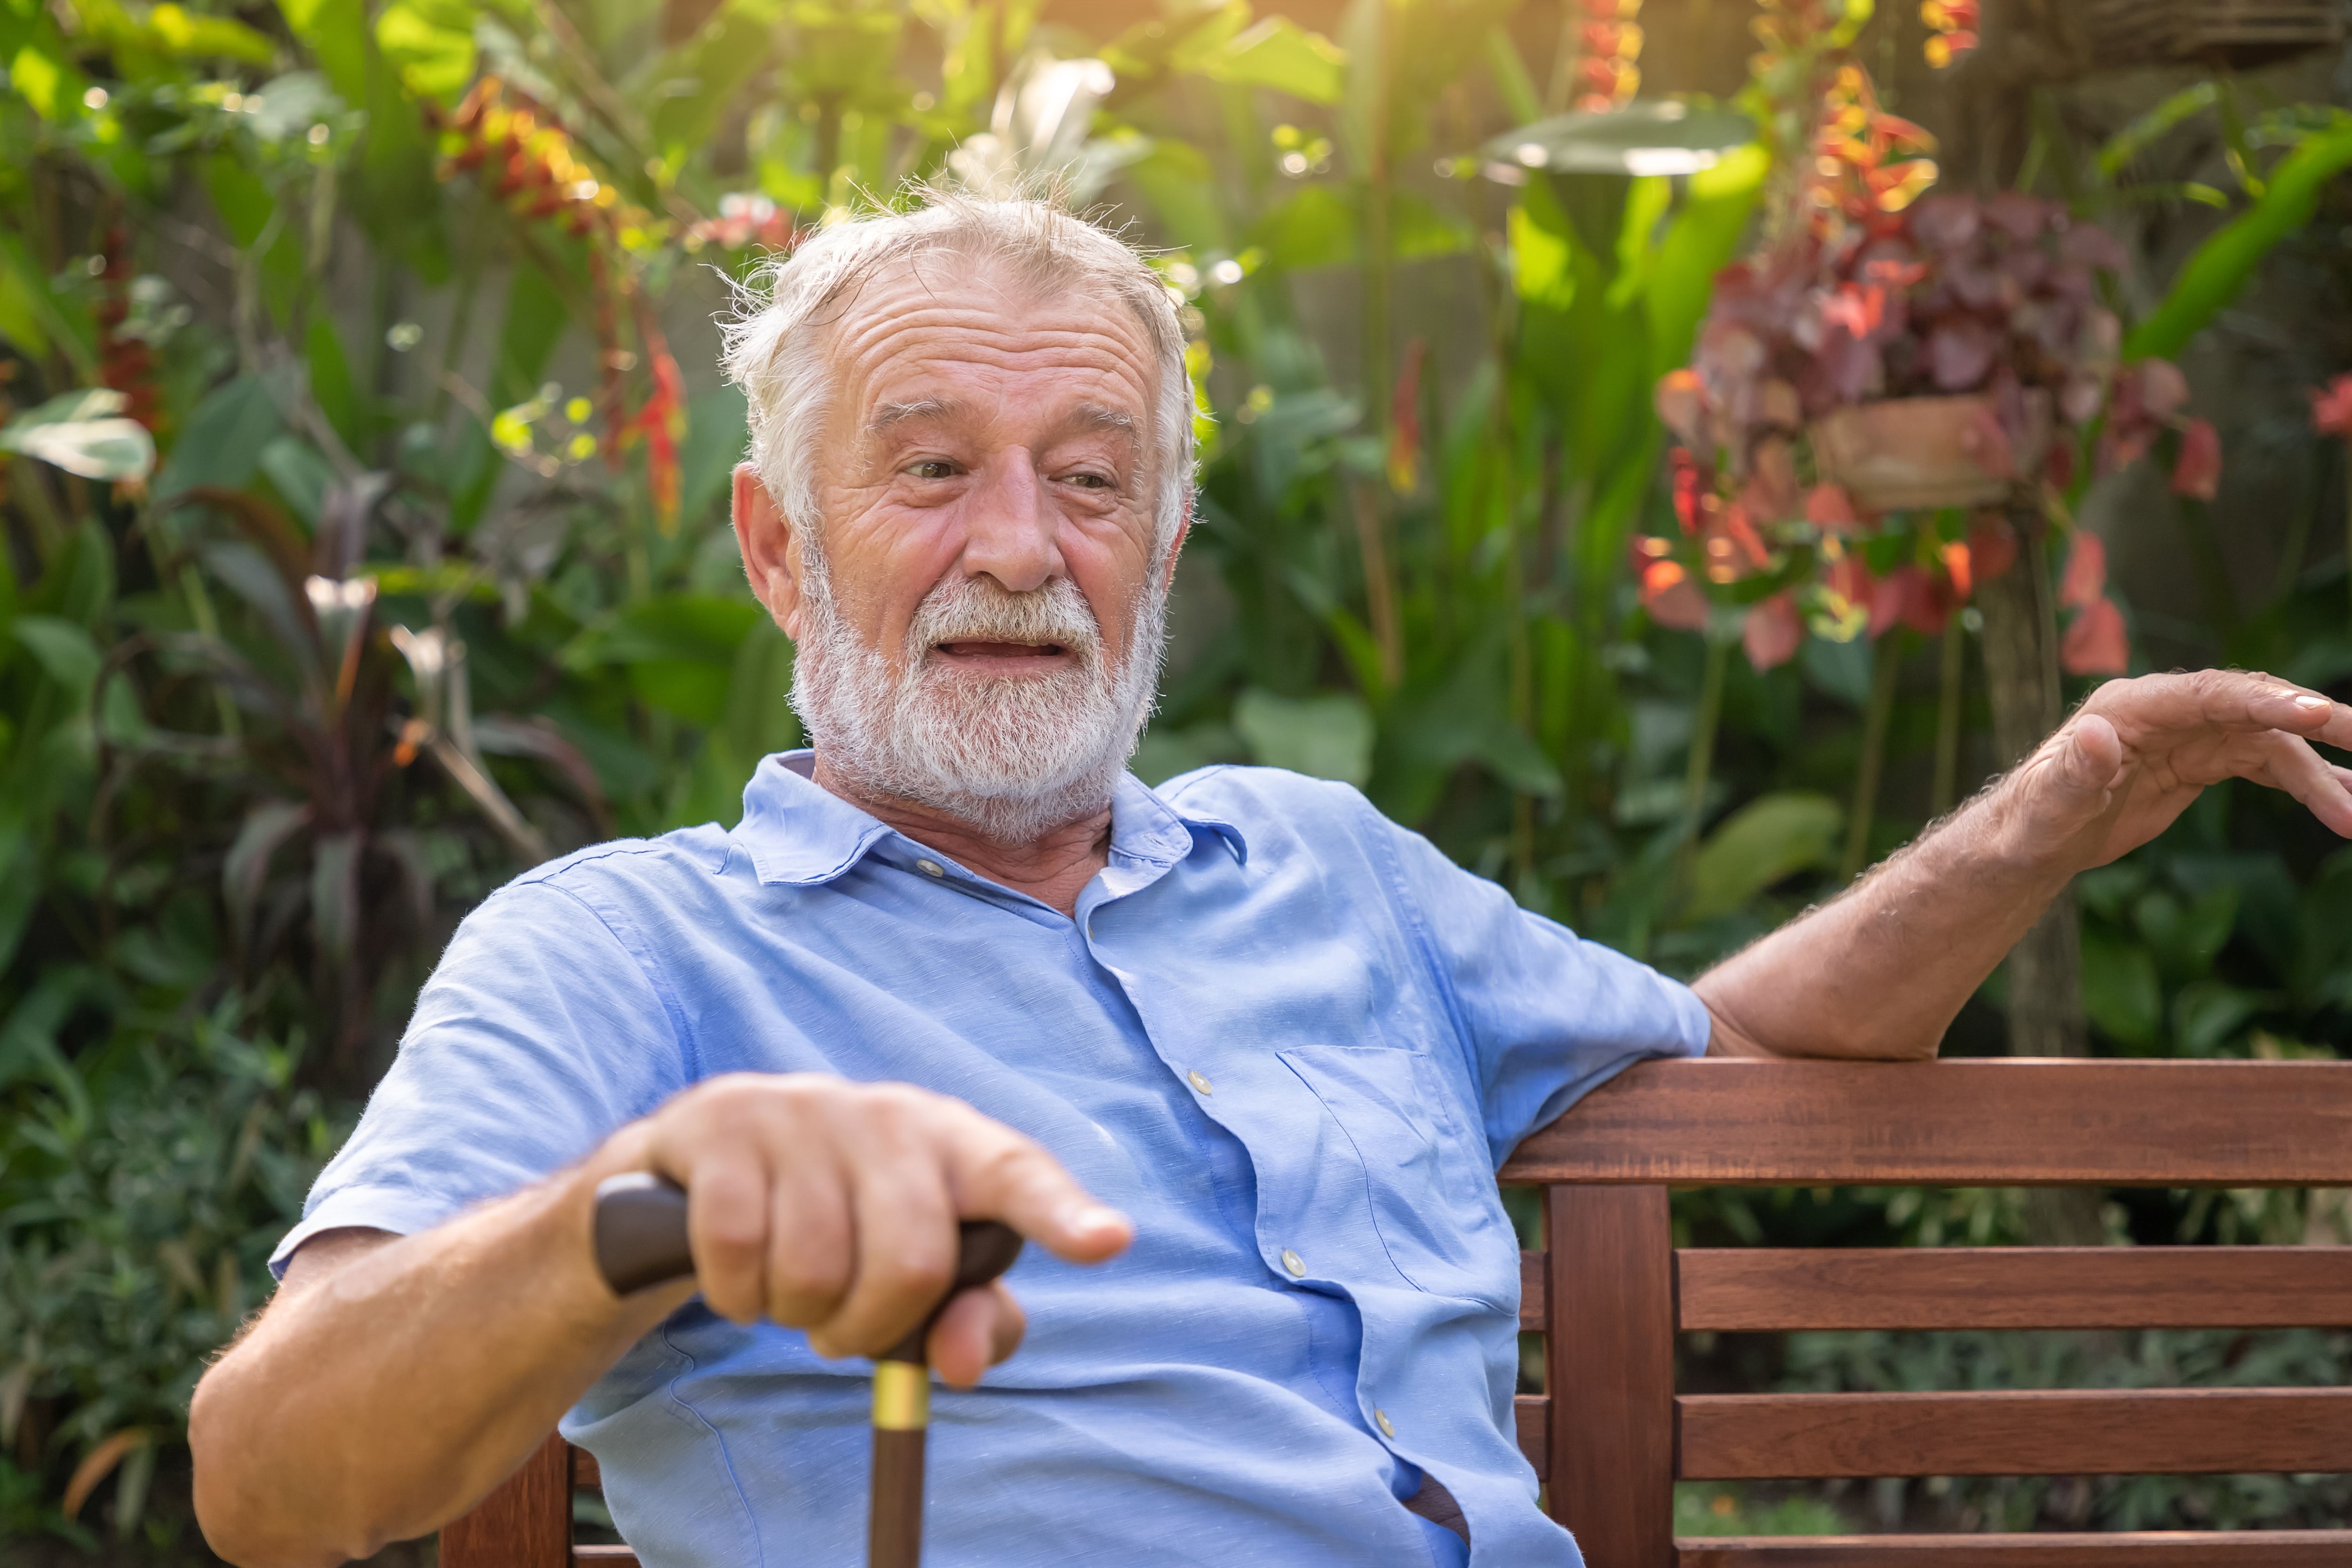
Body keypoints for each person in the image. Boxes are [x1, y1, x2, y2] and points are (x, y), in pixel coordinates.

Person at [189, 187, 2352, 1568]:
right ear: (776, 547)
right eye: (931, 473)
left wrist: (2050, 804)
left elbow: (1767, 1041)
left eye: (1091, 483)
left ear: (1159, 552)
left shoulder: (1320, 865)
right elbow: (267, 1485)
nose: (1021, 549)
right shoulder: (623, 950)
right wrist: (637, 1208)